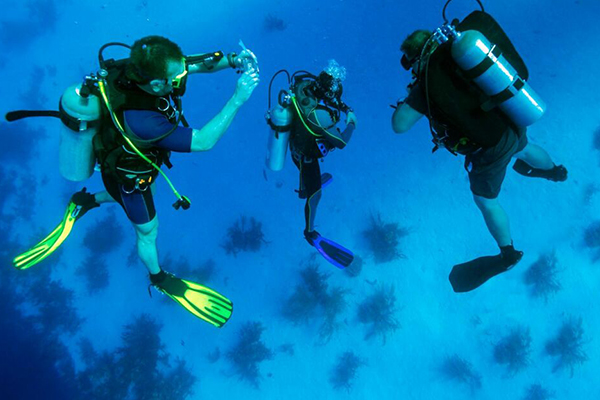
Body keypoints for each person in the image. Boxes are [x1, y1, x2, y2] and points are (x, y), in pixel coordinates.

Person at [11, 36, 259, 327]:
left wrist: (233, 60)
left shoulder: (137, 68)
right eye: (175, 78)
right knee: (148, 232)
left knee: (137, 191)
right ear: (155, 85)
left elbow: (191, 64)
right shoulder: (143, 122)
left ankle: (86, 201)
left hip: (124, 164)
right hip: (130, 180)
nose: (181, 77)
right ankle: (158, 277)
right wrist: (238, 98)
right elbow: (203, 141)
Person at [391, 25, 567, 293]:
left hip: (490, 147)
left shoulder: (427, 84)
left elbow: (399, 125)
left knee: (485, 200)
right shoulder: (462, 56)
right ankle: (555, 171)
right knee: (523, 148)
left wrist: (414, 96)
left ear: (417, 58)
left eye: (410, 63)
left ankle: (508, 254)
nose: (412, 69)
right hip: (511, 121)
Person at [287, 61, 357, 269]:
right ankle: (309, 233)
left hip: (294, 147)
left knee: (305, 174)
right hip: (307, 158)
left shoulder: (303, 86)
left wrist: (342, 106)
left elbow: (329, 100)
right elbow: (341, 142)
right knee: (316, 196)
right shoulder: (320, 115)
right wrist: (351, 123)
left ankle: (303, 189)